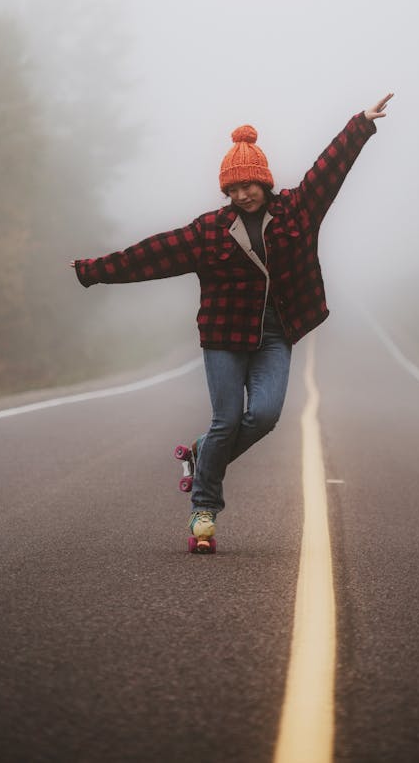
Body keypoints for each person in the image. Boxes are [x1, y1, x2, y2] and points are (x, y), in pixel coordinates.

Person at [71, 93, 393, 548]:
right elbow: (153, 254)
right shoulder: (209, 231)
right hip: (223, 337)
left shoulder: (296, 214)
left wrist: (359, 125)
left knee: (263, 415)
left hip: (274, 335)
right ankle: (204, 510)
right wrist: (95, 270)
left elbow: (329, 171)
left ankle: (203, 454)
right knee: (225, 420)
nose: (242, 194)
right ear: (226, 191)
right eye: (233, 188)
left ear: (264, 182)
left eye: (249, 185)